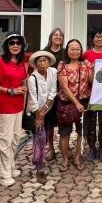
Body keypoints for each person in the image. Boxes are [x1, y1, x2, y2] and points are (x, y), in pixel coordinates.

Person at [0, 32, 28, 187]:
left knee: (15, 138)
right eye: (12, 43)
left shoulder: (20, 63)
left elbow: (23, 82)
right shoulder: (0, 63)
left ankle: (10, 167)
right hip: (5, 107)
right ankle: (2, 173)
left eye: (18, 43)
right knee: (4, 139)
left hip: (18, 106)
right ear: (6, 46)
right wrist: (10, 90)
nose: (15, 45)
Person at [57, 39, 94, 171]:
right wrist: (76, 103)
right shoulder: (62, 65)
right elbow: (64, 88)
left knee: (81, 132)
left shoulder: (86, 64)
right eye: (72, 48)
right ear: (67, 50)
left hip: (84, 100)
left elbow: (91, 81)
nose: (75, 51)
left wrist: (93, 69)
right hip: (67, 103)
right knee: (64, 133)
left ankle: (78, 157)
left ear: (81, 50)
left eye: (77, 48)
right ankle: (65, 159)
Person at [83, 27, 102, 162]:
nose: (99, 39)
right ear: (92, 39)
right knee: (89, 121)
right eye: (96, 36)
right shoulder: (86, 54)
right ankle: (91, 147)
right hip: (89, 93)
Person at [27, 50, 58, 185]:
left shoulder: (53, 72)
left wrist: (45, 109)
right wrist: (39, 115)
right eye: (40, 61)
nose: (43, 62)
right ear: (36, 64)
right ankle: (40, 168)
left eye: (45, 60)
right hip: (36, 110)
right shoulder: (32, 78)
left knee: (46, 133)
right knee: (40, 136)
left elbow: (53, 91)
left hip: (48, 107)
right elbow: (33, 99)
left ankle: (36, 156)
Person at [42, 28, 65, 161]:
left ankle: (64, 147)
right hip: (47, 92)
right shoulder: (44, 52)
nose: (58, 37)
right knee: (48, 123)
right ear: (51, 37)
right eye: (55, 35)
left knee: (63, 120)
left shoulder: (65, 52)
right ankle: (51, 148)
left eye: (60, 35)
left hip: (63, 92)